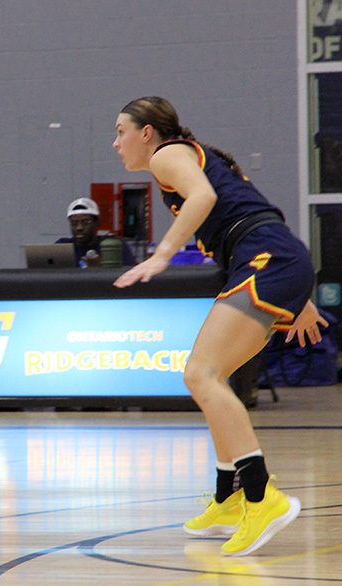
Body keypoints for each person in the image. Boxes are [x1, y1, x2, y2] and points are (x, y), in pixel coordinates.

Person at [112, 96, 325, 557]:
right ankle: (229, 495)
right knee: (212, 377)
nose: (116, 143)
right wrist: (299, 291)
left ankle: (260, 496)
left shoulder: (167, 154)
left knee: (200, 374)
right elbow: (252, 213)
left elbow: (206, 198)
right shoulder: (187, 156)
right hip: (273, 258)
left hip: (266, 260)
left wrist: (162, 254)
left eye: (120, 131)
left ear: (146, 132)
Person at [56, 197, 136, 266]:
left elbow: (130, 275)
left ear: (97, 222)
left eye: (85, 222)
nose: (79, 228)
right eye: (74, 223)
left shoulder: (113, 246)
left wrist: (100, 268)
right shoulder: (62, 247)